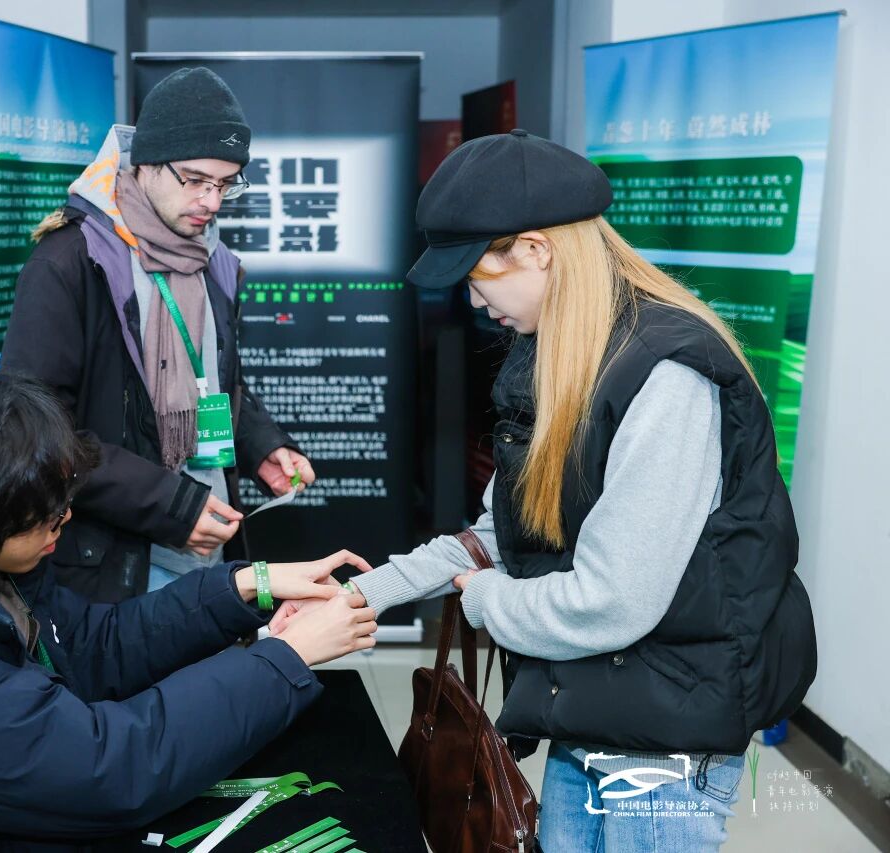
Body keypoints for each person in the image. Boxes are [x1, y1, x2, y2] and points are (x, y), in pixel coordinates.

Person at [272, 130, 818, 852]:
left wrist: (486, 600)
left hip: (668, 737)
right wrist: (356, 596)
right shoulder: (557, 355)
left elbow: (612, 600)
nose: (474, 301)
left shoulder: (665, 373)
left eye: (478, 276)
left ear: (536, 249)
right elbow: (497, 533)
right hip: (591, 706)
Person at [0, 368, 376, 852]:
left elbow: (90, 646)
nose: (63, 519)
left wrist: (245, 586)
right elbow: (111, 770)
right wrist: (285, 658)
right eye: (46, 514)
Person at [0, 66, 313, 602]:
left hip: (206, 539)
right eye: (195, 179)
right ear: (145, 162)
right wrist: (171, 506)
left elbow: (214, 384)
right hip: (111, 565)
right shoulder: (71, 263)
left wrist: (261, 445)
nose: (211, 202)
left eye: (225, 184)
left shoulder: (213, 261)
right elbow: (35, 434)